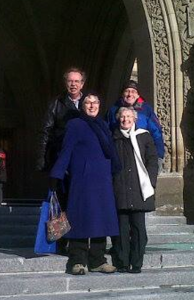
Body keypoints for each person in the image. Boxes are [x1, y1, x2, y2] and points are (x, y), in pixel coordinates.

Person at [49, 93, 120, 275]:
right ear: (82, 106)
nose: (92, 105)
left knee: (101, 219)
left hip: (103, 179)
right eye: (88, 102)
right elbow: (67, 150)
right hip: (82, 179)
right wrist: (57, 174)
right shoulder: (75, 124)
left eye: (95, 102)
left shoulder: (103, 125)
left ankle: (98, 260)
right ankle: (78, 260)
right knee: (80, 218)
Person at [112, 107, 158, 273]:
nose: (125, 120)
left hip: (139, 189)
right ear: (119, 119)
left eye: (129, 117)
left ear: (134, 119)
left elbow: (152, 160)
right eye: (122, 117)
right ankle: (123, 262)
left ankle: (137, 263)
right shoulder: (113, 137)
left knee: (139, 229)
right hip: (120, 189)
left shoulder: (144, 136)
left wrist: (151, 182)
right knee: (121, 230)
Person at [107, 80, 164, 172]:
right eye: (127, 91)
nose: (130, 94)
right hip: (121, 155)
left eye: (133, 91)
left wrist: (159, 156)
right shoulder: (113, 110)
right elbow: (108, 133)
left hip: (143, 154)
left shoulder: (146, 110)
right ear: (122, 94)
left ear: (138, 95)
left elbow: (156, 133)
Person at [36, 67, 87, 172]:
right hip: (62, 154)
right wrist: (41, 157)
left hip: (83, 154)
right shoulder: (56, 103)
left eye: (77, 81)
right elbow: (45, 132)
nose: (73, 84)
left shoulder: (90, 102)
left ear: (82, 84)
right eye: (70, 81)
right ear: (65, 83)